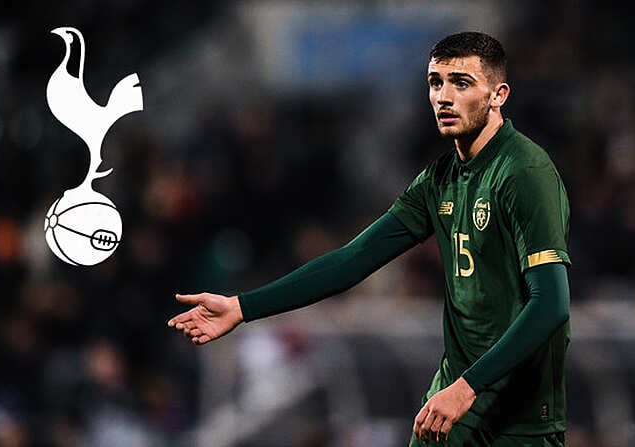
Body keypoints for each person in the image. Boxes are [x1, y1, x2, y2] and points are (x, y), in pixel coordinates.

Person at [168, 32, 570, 447]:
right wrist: (242, 306)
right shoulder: (439, 180)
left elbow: (552, 304)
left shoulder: (525, 173)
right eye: (436, 83)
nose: (444, 97)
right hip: (452, 408)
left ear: (498, 95)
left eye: (461, 83)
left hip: (517, 416)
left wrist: (468, 386)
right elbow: (352, 260)